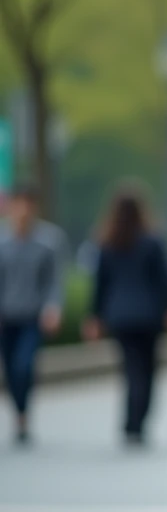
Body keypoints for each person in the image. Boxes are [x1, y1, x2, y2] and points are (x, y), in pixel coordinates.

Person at [84, 189, 167, 447]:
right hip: (149, 315)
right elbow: (166, 280)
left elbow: (100, 285)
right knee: (148, 369)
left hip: (119, 315)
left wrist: (94, 316)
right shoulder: (152, 241)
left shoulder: (107, 243)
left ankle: (130, 421)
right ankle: (138, 421)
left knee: (131, 369)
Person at [0, 186, 69, 446]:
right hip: (6, 316)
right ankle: (19, 412)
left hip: (32, 316)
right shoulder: (2, 240)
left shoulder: (48, 240)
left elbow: (54, 281)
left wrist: (53, 309)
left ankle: (24, 416)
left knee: (24, 365)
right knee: (9, 369)